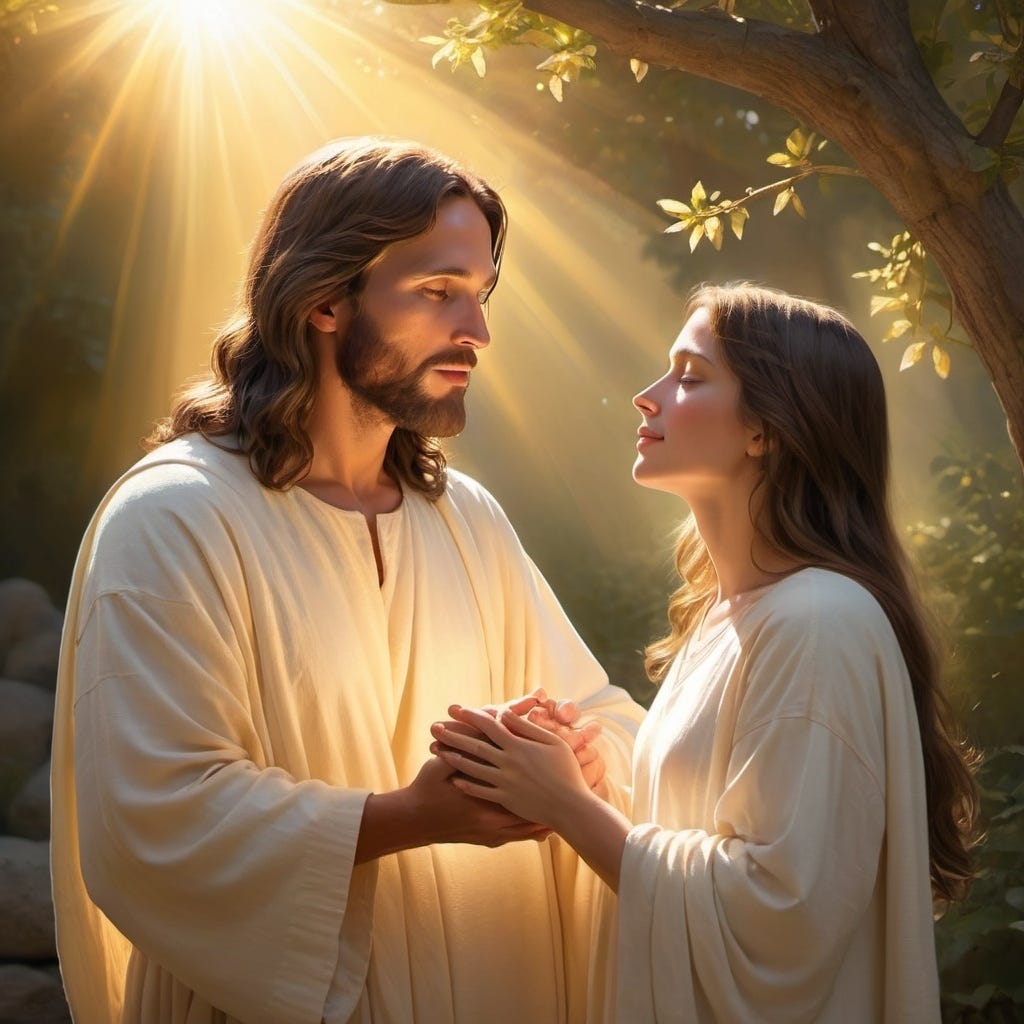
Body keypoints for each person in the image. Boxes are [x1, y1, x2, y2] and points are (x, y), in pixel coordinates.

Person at [50, 137, 644, 1024]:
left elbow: (603, 715)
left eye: (480, 297)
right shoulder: (175, 518)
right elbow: (152, 815)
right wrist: (410, 815)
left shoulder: (466, 518)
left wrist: (575, 756)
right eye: (440, 293)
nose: (476, 332)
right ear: (324, 299)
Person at [432, 283, 979, 1023]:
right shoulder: (730, 619)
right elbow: (699, 840)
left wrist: (562, 804)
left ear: (767, 429)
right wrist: (584, 776)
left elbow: (780, 915)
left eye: (689, 377)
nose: (646, 397)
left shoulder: (818, 622)